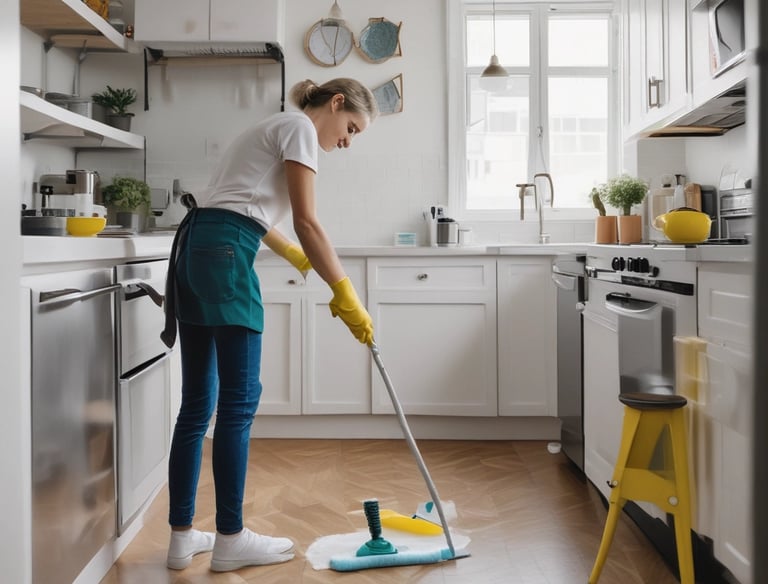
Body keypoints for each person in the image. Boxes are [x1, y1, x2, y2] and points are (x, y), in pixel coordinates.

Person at [161, 78, 378, 572]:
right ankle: (231, 537)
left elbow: (244, 204)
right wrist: (344, 292)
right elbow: (308, 219)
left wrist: (291, 255)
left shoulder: (274, 125)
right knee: (237, 402)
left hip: (197, 246)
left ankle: (180, 538)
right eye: (351, 128)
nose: (347, 140)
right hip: (225, 250)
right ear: (336, 103)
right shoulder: (300, 126)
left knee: (197, 403)